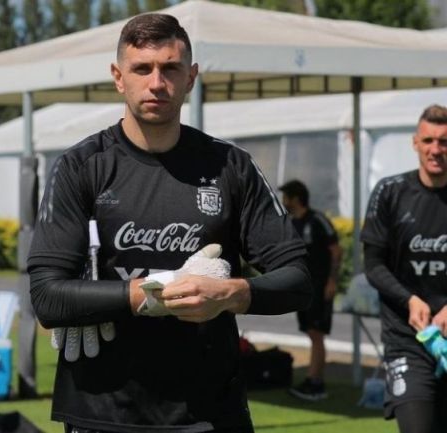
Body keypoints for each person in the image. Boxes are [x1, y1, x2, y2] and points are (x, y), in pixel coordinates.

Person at [27, 13, 312, 433]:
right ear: (118, 77)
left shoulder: (231, 166)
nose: (156, 83)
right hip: (103, 412)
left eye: (170, 68)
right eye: (142, 68)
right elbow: (47, 298)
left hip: (210, 411)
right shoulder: (81, 166)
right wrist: (160, 290)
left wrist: (232, 292)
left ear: (191, 76)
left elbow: (299, 279)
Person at [362, 104, 447, 433]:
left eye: (443, 141)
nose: (435, 149)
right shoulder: (390, 191)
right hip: (407, 341)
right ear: (415, 143)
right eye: (428, 141)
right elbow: (373, 265)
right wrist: (409, 299)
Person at [279, 180, 342, 401]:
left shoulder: (318, 220)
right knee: (310, 331)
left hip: (320, 287)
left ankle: (316, 383)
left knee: (317, 333)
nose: (283, 201)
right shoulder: (290, 223)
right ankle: (312, 379)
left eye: (286, 196)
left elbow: (336, 250)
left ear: (296, 198)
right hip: (302, 288)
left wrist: (332, 281)